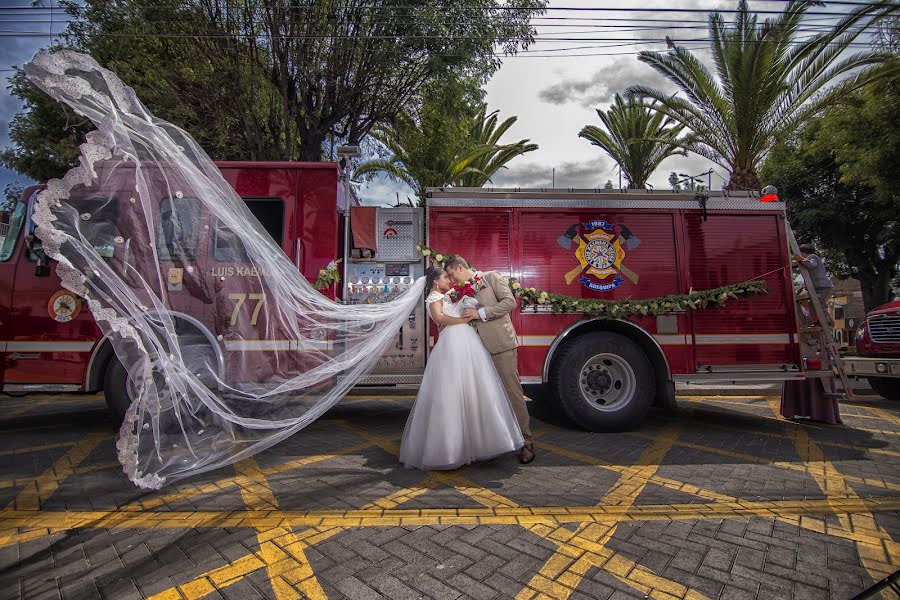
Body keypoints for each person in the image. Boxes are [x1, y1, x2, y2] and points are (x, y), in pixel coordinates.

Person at [398, 267, 525, 470]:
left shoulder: (448, 293)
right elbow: (439, 318)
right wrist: (464, 319)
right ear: (435, 282)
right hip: (453, 343)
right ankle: (450, 448)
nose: (449, 280)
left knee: (475, 390)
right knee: (452, 392)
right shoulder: (433, 297)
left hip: (468, 342)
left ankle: (475, 443)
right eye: (444, 277)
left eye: (450, 275)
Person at [444, 256, 535, 464]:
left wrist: (480, 313)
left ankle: (527, 442)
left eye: (451, 274)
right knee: (486, 397)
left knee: (512, 393)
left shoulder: (491, 277)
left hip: (500, 345)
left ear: (460, 267)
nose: (451, 279)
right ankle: (498, 442)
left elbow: (509, 302)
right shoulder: (461, 289)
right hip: (476, 351)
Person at [794, 244, 834, 319]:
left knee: (817, 302)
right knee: (818, 303)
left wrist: (801, 259)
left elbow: (812, 264)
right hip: (819, 286)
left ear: (804, 252)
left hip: (822, 286)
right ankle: (821, 320)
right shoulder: (809, 258)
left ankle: (824, 320)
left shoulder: (812, 256)